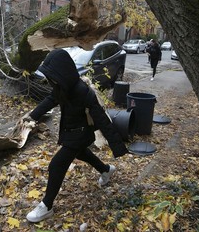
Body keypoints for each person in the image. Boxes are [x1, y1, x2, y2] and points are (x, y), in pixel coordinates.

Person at [25, 49, 129, 223]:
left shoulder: (83, 92)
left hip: (79, 134)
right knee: (82, 153)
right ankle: (106, 170)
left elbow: (102, 119)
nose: (50, 81)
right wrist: (32, 116)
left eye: (52, 77)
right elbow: (51, 99)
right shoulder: (61, 87)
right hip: (70, 133)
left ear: (62, 74)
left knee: (57, 165)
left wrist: (117, 145)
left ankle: (47, 206)